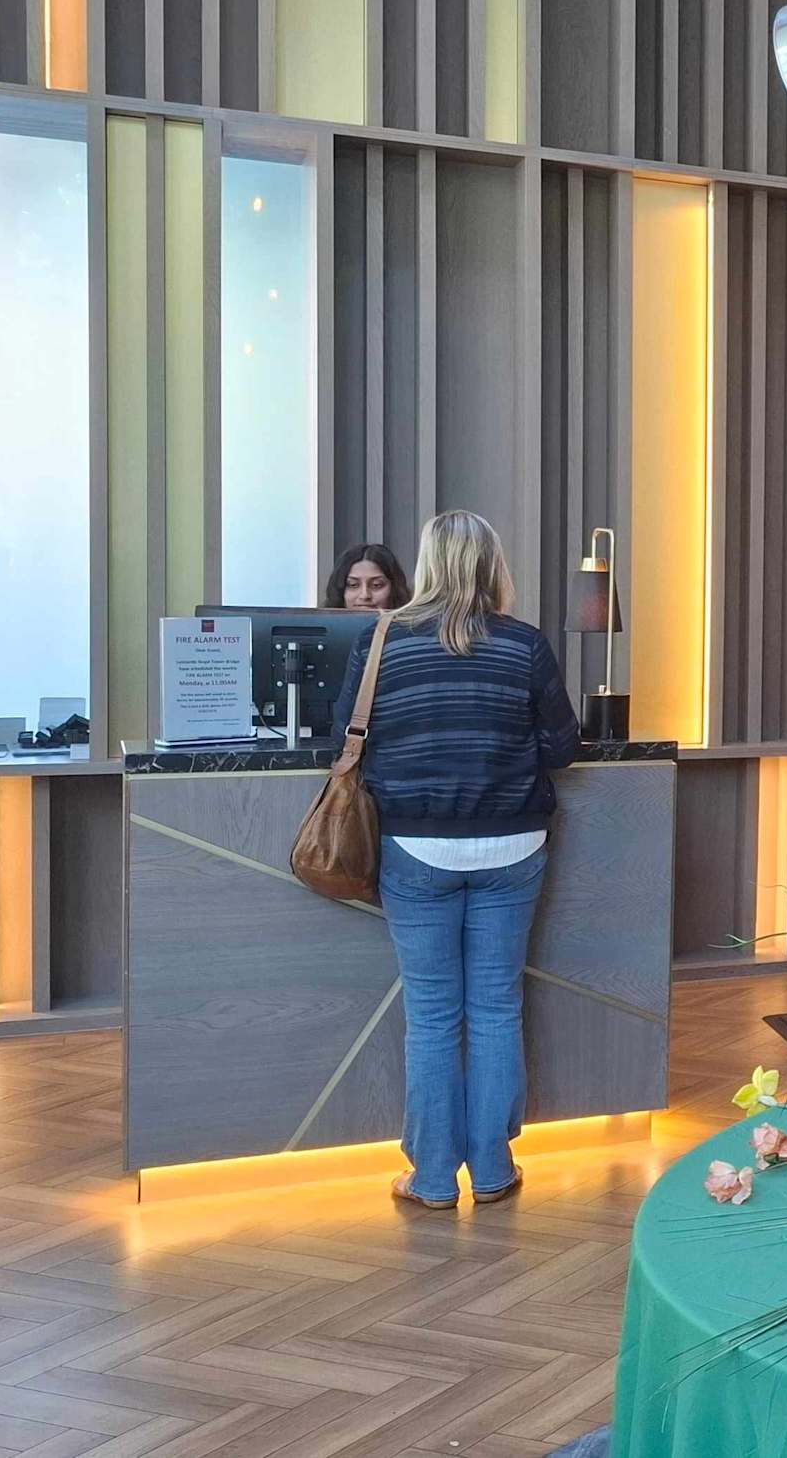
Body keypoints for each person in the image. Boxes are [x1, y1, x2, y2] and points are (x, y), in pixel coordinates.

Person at [337, 510, 580, 1210]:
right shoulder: (524, 644)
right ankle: (495, 1170)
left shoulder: (382, 639)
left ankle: (434, 1177)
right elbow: (562, 748)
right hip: (514, 846)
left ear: (426, 566)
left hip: (416, 848)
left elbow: (344, 738)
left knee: (433, 1016)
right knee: (498, 1008)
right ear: (492, 565)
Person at [324, 543, 412, 611]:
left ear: (394, 588)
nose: (365, 595)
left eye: (376, 585)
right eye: (353, 585)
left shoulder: (412, 629)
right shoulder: (321, 627)